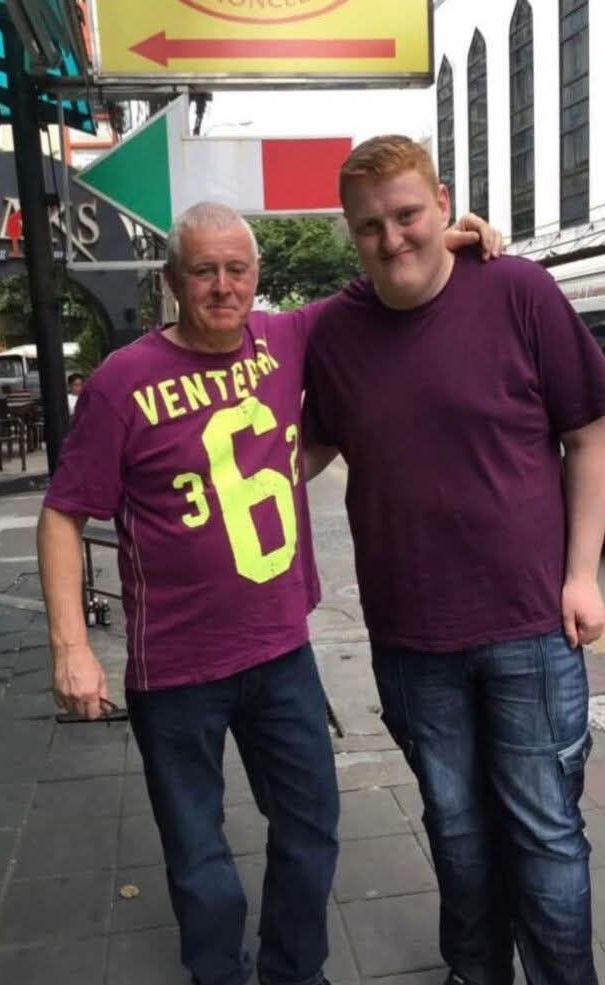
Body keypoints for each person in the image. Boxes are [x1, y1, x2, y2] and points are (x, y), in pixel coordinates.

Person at [37, 201, 500, 985]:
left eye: (237, 269)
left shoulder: (286, 336)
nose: (223, 286)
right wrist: (71, 646)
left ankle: (293, 971)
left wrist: (448, 237)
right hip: (175, 667)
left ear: (256, 274)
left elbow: (378, 279)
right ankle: (218, 973)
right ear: (174, 280)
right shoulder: (123, 382)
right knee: (197, 849)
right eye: (204, 271)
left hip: (282, 650)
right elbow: (61, 514)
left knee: (312, 822)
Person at [303, 135, 605, 985]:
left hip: (528, 622)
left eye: (406, 215)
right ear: (349, 233)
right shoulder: (332, 331)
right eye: (370, 226)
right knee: (457, 831)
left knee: (543, 831)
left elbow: (587, 433)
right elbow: (307, 445)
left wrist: (582, 572)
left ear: (441, 203)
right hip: (409, 637)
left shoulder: (517, 289)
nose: (392, 238)